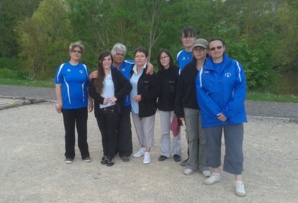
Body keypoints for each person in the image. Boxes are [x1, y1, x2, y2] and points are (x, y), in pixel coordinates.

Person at [196, 37, 247, 197]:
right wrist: (218, 112)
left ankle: (238, 180)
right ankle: (215, 172)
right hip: (212, 116)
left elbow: (240, 91)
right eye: (212, 49)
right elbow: (202, 95)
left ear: (224, 48)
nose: (216, 50)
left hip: (234, 116)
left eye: (218, 47)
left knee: (234, 146)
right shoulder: (203, 71)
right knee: (212, 145)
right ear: (208, 52)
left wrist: (227, 112)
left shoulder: (235, 66)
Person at [89, 43, 154, 162]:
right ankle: (111, 151)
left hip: (125, 102)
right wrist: (90, 76)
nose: (119, 56)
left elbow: (142, 61)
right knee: (110, 128)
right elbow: (93, 85)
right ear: (112, 55)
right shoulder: (106, 67)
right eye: (117, 54)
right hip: (108, 105)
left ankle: (125, 152)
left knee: (124, 127)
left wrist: (150, 65)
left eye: (122, 54)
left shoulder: (129, 64)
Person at [88, 51, 132, 166]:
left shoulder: (115, 73)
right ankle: (105, 153)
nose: (107, 62)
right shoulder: (96, 75)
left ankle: (111, 155)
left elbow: (128, 86)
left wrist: (116, 97)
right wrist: (100, 100)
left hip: (113, 109)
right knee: (104, 133)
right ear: (100, 61)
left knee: (111, 132)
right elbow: (91, 91)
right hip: (101, 109)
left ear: (111, 61)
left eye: (109, 59)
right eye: (104, 59)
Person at [175, 38, 211, 176]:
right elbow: (180, 91)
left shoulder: (211, 68)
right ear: (193, 51)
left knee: (204, 138)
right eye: (196, 49)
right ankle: (192, 163)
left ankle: (204, 164)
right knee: (191, 136)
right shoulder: (187, 69)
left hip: (206, 109)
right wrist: (179, 111)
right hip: (189, 107)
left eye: (201, 49)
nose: (198, 51)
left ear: (206, 51)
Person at [55, 41, 92, 164]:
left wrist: (90, 101)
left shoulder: (84, 68)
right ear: (70, 53)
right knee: (69, 131)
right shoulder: (62, 68)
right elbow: (58, 87)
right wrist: (60, 103)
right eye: (74, 51)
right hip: (68, 106)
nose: (77, 53)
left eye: (79, 52)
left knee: (83, 131)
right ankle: (69, 155)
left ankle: (85, 154)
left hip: (82, 105)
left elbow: (88, 87)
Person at [130, 47, 160, 164]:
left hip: (147, 106)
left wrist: (142, 96)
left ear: (146, 58)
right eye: (137, 56)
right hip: (134, 107)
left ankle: (147, 152)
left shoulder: (150, 72)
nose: (139, 58)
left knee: (147, 130)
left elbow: (156, 91)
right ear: (134, 58)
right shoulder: (131, 70)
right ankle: (142, 148)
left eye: (142, 56)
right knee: (139, 129)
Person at [156, 49, 181, 162]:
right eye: (161, 58)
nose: (164, 59)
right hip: (163, 106)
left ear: (170, 58)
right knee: (165, 131)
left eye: (165, 57)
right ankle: (165, 152)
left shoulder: (177, 71)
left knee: (176, 130)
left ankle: (176, 152)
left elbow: (181, 90)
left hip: (175, 106)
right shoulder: (159, 74)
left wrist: (179, 107)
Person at [176, 26, 196, 166]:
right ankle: (191, 157)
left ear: (194, 38)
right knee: (190, 131)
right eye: (185, 36)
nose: (188, 39)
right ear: (181, 39)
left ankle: (202, 158)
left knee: (202, 131)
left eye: (190, 36)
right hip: (186, 95)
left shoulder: (200, 54)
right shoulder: (179, 55)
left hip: (199, 95)